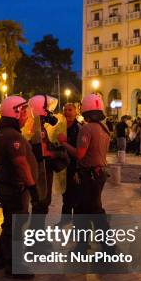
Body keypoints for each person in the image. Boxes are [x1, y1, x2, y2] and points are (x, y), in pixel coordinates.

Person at [58, 93, 112, 254]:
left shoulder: (86, 128)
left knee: (94, 212)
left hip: (89, 175)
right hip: (99, 173)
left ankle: (108, 248)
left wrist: (64, 143)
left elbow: (80, 154)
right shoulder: (104, 128)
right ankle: (82, 246)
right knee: (84, 210)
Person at [0, 96, 38, 278]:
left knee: (10, 223)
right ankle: (16, 265)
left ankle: (1, 256)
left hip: (6, 185)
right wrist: (32, 186)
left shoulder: (1, 133)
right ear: (15, 112)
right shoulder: (12, 135)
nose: (26, 115)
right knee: (17, 226)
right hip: (15, 187)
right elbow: (20, 162)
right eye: (24, 111)